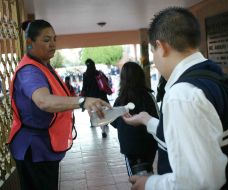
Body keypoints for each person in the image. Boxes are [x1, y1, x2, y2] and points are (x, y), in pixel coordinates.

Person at [124, 7, 228, 190]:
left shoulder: (181, 95)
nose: (154, 62)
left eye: (153, 51)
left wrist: (150, 183)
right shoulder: (213, 75)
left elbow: (199, 182)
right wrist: (146, 120)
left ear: (162, 47)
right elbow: (199, 133)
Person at [8, 20, 110, 190]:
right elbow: (44, 101)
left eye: (54, 39)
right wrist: (83, 101)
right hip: (34, 148)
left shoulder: (44, 66)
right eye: (46, 40)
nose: (53, 45)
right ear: (29, 43)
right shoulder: (29, 71)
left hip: (44, 145)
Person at [110, 62, 158, 176]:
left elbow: (114, 122)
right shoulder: (148, 96)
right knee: (148, 171)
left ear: (122, 79)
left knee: (134, 177)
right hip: (148, 145)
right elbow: (156, 118)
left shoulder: (120, 100)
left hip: (129, 146)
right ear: (141, 76)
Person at [81, 58, 110, 138]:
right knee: (103, 113)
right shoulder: (99, 73)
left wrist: (82, 97)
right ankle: (103, 128)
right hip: (101, 97)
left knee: (95, 114)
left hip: (92, 98)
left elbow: (84, 87)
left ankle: (98, 125)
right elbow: (106, 81)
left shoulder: (85, 75)